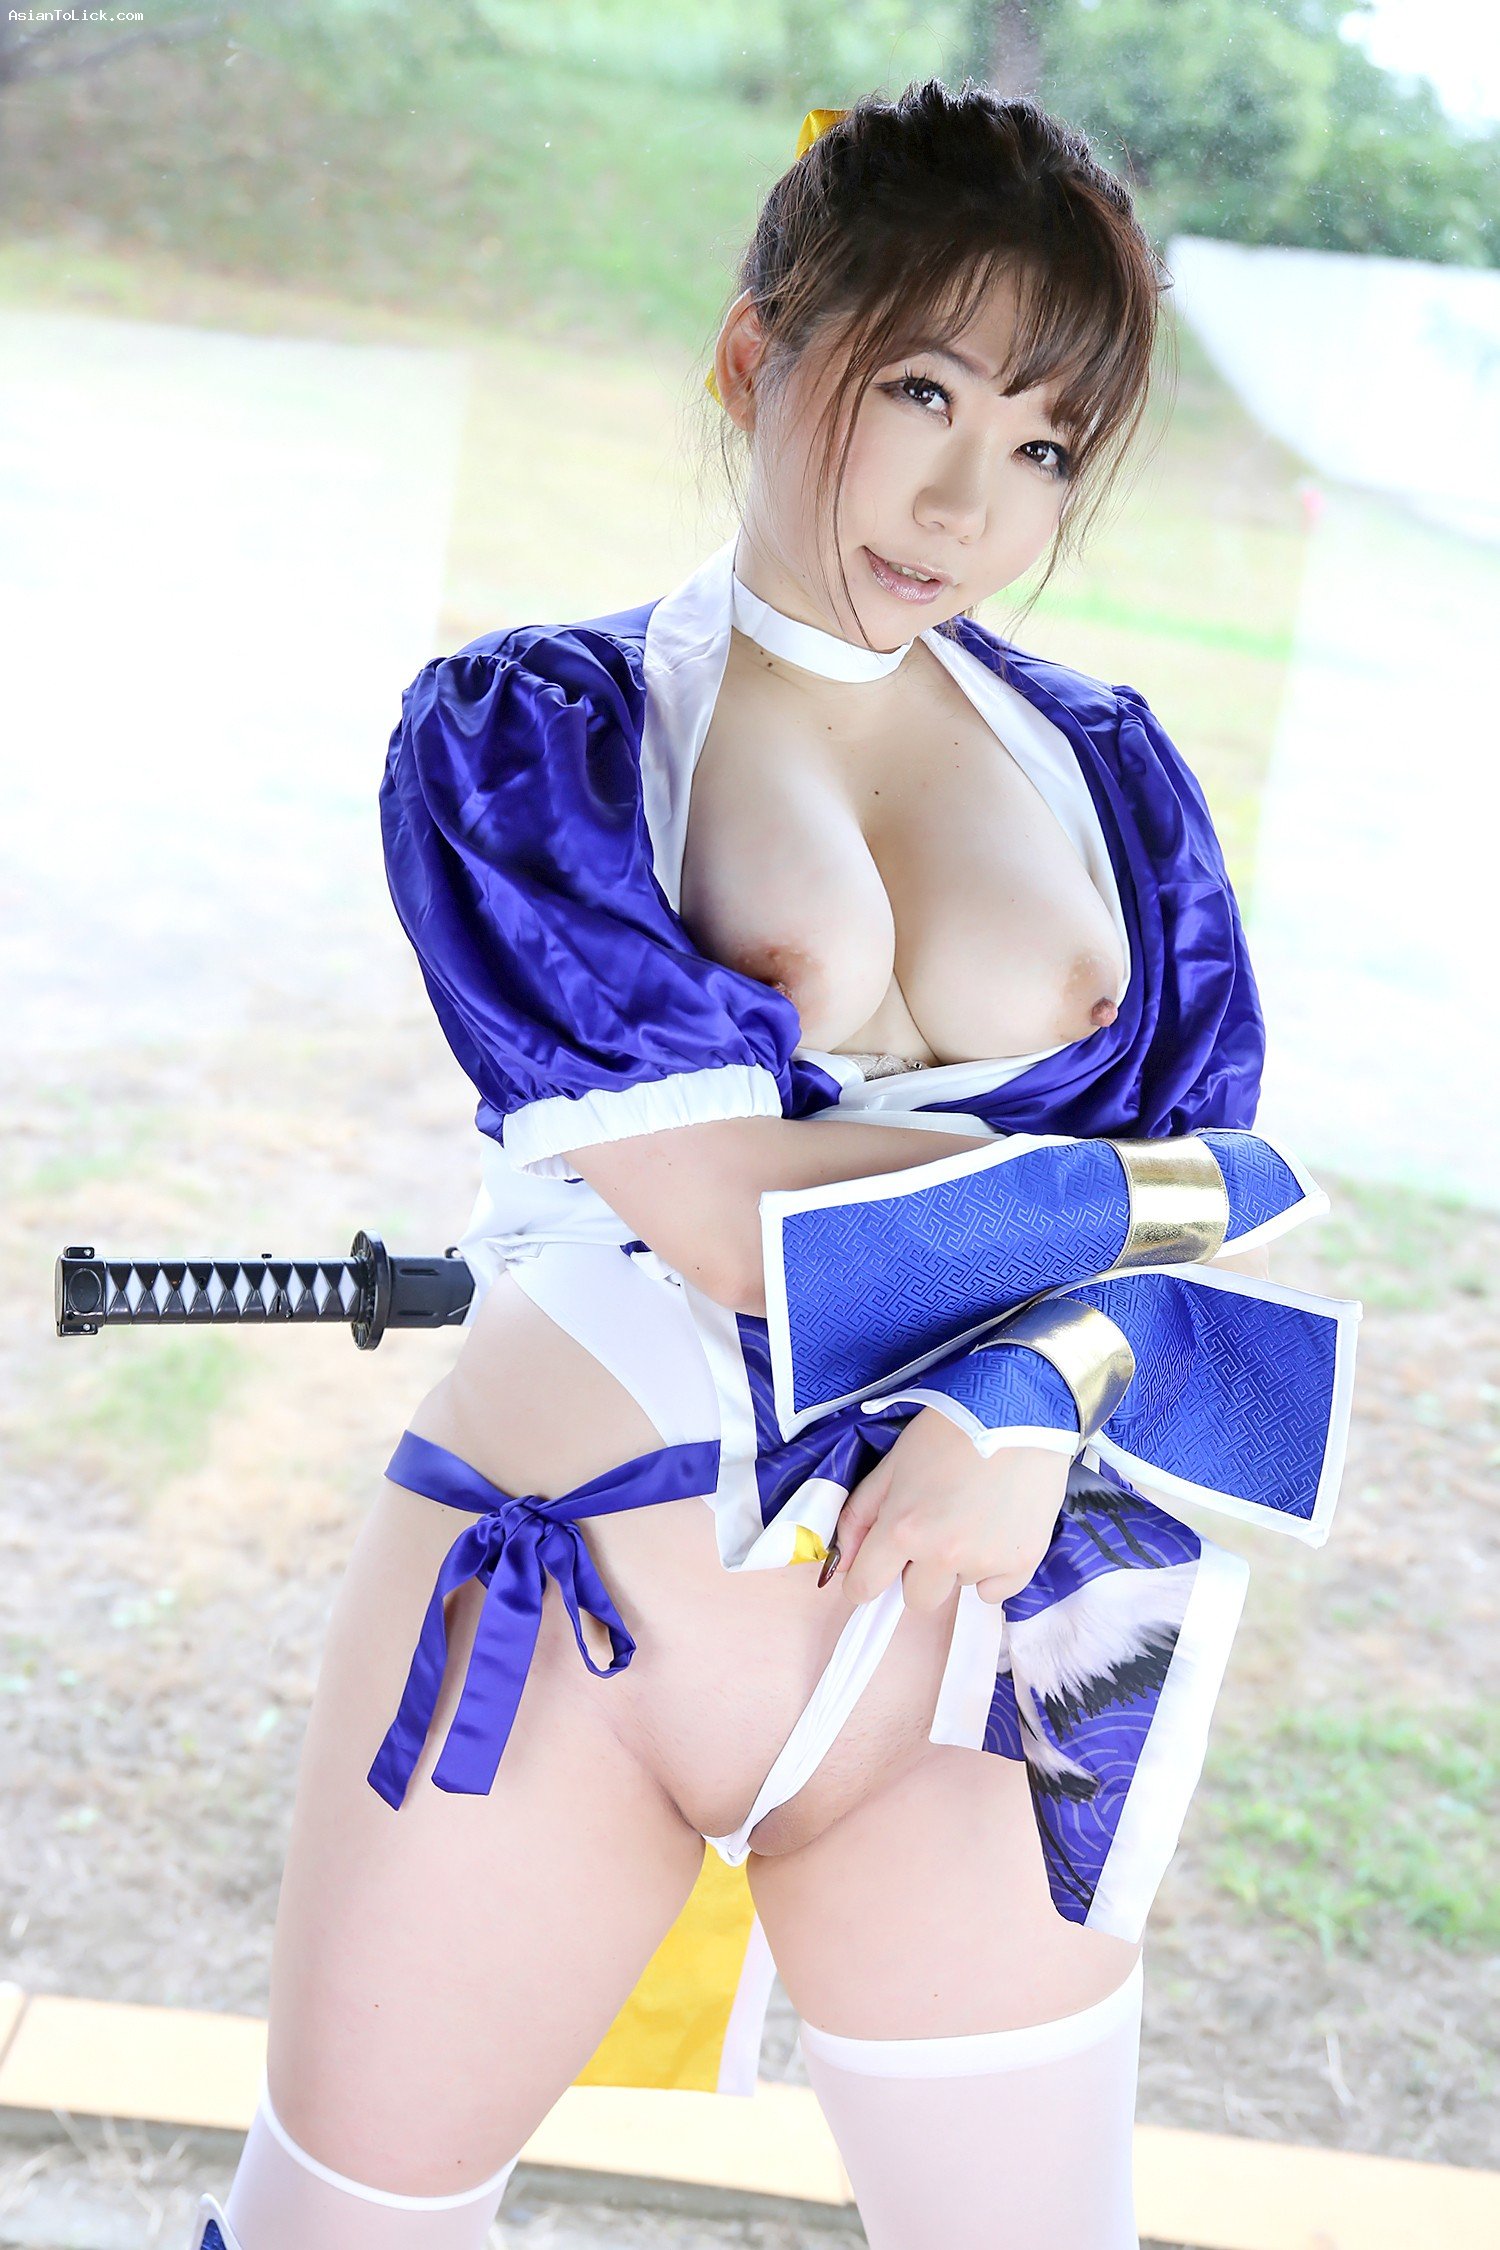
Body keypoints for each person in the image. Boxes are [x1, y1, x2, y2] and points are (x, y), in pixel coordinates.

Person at [191, 80, 1324, 2250]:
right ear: (754, 355)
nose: (967, 502)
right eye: (922, 392)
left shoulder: (1112, 776)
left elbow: (1210, 1262)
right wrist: (1121, 1231)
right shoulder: (539, 734)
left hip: (980, 1642)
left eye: (1046, 445)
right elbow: (736, 1217)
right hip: (573, 1613)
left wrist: (1039, 1387)